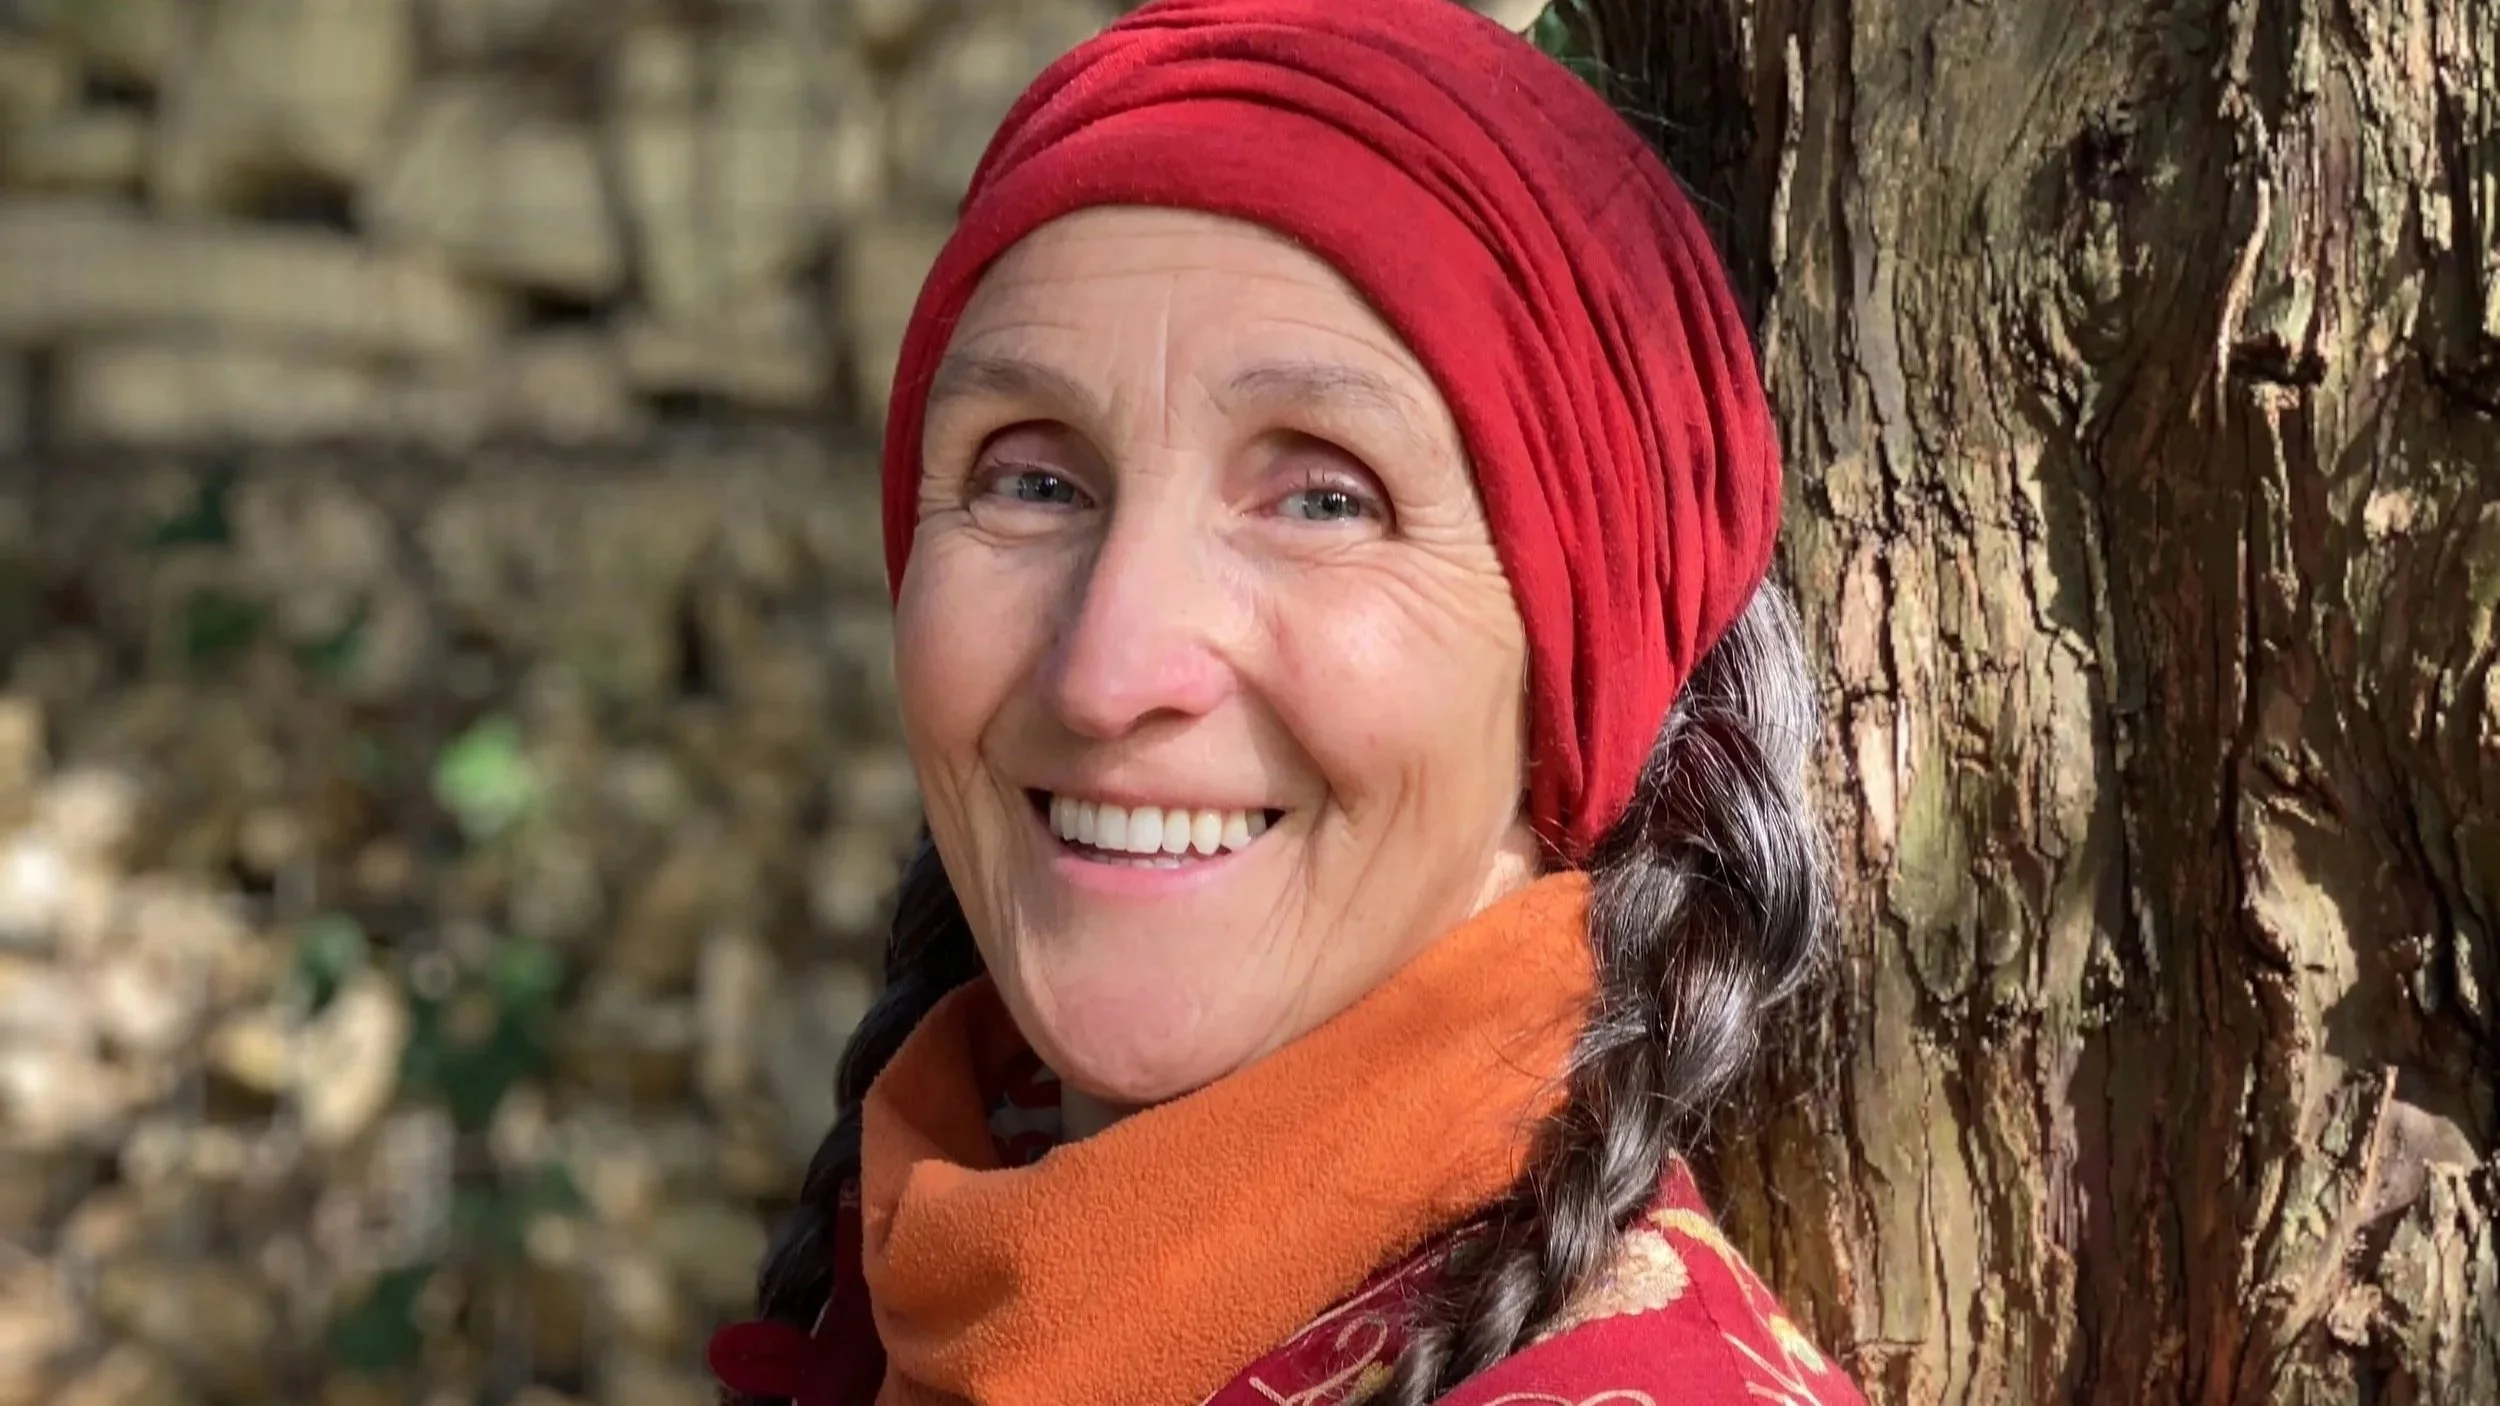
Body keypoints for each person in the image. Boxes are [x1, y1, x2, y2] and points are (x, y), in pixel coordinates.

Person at [707, 0, 1865, 1401]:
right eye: (1032, 477)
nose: (1106, 669)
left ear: (1576, 673)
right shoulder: (934, 1259)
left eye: (1323, 496)